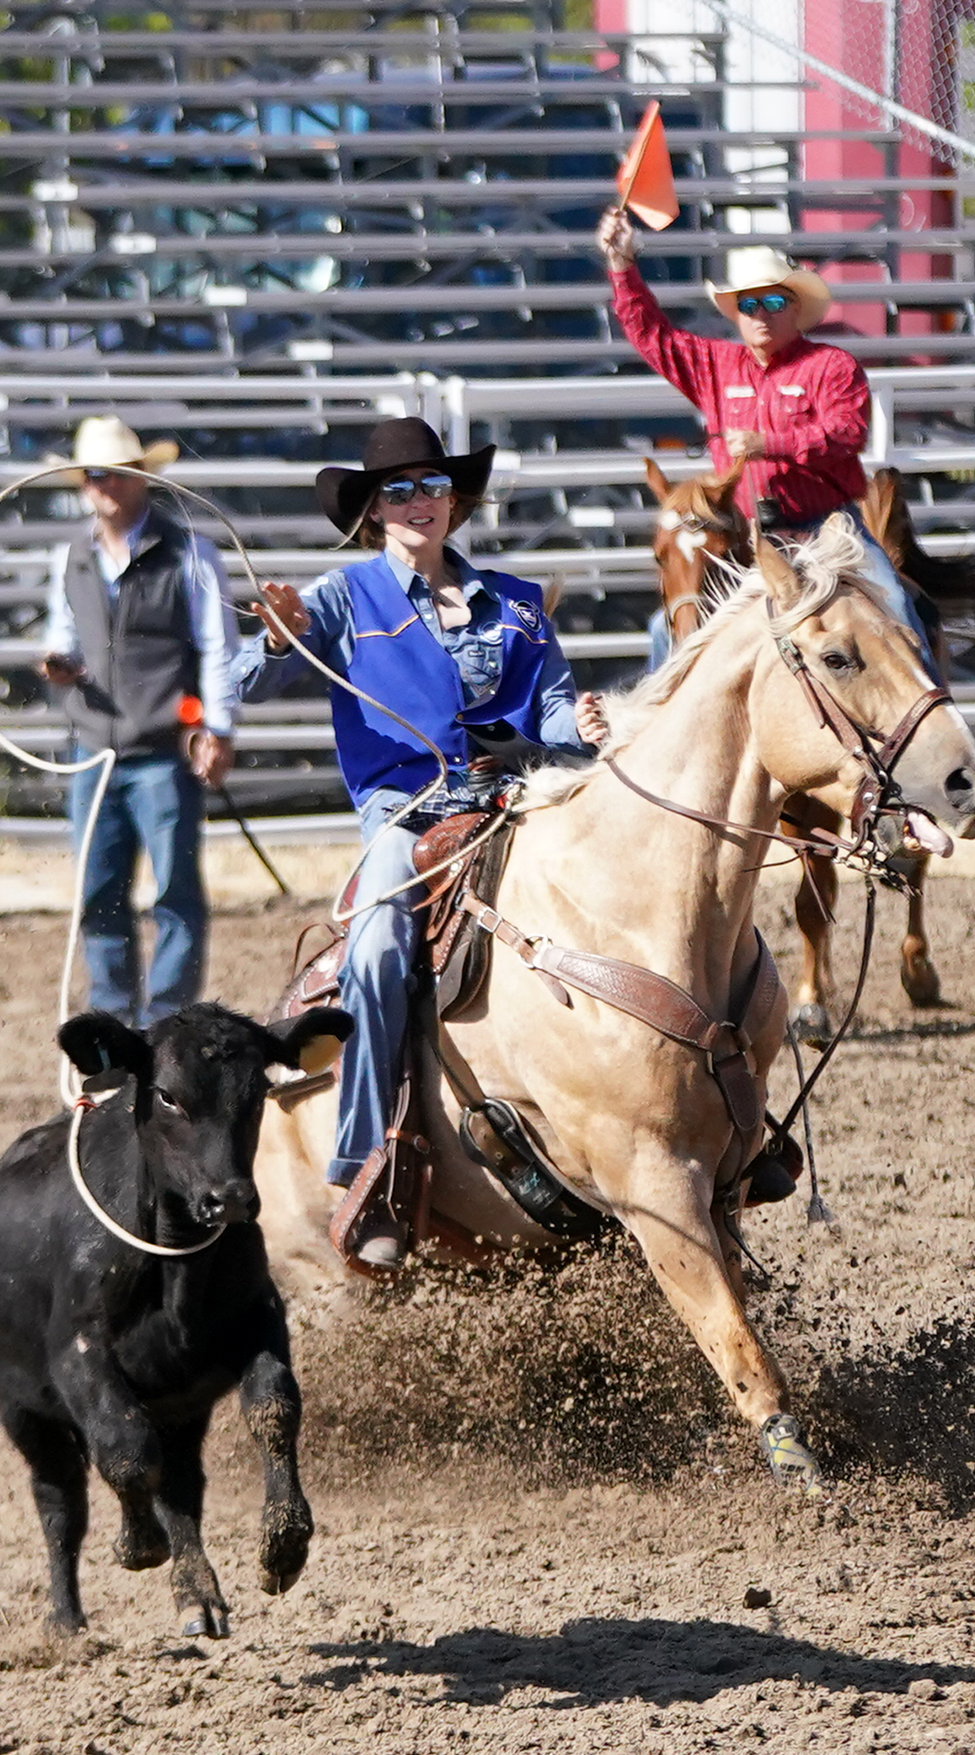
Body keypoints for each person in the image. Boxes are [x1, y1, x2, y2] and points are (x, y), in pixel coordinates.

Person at [247, 419, 612, 1269]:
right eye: (400, 489)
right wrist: (275, 634)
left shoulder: (516, 602)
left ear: (455, 499)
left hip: (512, 801)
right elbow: (248, 679)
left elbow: (549, 708)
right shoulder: (341, 598)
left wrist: (585, 722)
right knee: (376, 950)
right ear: (374, 508)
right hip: (406, 822)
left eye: (433, 486)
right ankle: (371, 1155)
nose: (420, 502)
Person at [596, 212, 933, 664]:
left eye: (774, 303)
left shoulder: (831, 366)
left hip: (826, 530)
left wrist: (768, 443)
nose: (761, 314)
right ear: (736, 313)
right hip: (743, 537)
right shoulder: (716, 364)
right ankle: (661, 722)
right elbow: (652, 335)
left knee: (896, 605)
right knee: (666, 628)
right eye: (749, 304)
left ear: (795, 309)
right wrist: (622, 265)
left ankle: (925, 712)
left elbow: (847, 433)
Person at [41, 415, 239, 1027]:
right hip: (94, 746)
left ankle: (168, 1015)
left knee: (174, 889)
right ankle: (112, 1010)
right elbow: (62, 631)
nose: (103, 485)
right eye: (94, 475)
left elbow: (218, 645)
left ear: (140, 480)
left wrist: (218, 727)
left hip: (162, 748)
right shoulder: (71, 558)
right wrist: (59, 665)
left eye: (115, 474)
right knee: (98, 888)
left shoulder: (189, 554)